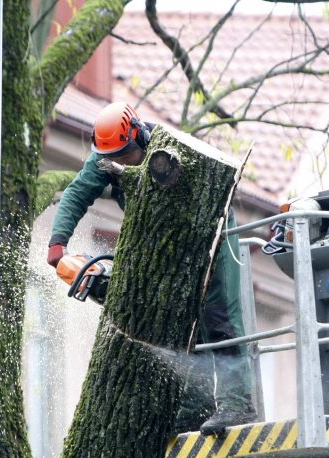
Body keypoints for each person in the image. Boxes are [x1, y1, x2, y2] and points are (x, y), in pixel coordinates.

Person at [46, 102, 257, 435]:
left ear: (138, 137)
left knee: (218, 319)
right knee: (181, 321)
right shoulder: (105, 159)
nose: (119, 162)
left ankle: (237, 403)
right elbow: (75, 194)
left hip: (211, 233)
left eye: (124, 154)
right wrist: (57, 244)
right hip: (168, 243)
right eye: (112, 156)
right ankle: (194, 406)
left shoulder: (168, 153)